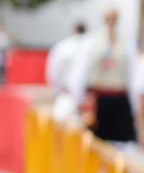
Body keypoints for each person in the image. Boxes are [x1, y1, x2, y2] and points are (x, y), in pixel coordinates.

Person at [83, 9, 135, 143]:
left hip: (119, 97)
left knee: (121, 141)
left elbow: (130, 71)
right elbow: (85, 70)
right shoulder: (94, 41)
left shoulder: (125, 41)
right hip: (100, 97)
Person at [45, 21, 89, 122]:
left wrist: (57, 90)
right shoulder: (91, 46)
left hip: (67, 96)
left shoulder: (62, 47)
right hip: (85, 98)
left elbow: (53, 71)